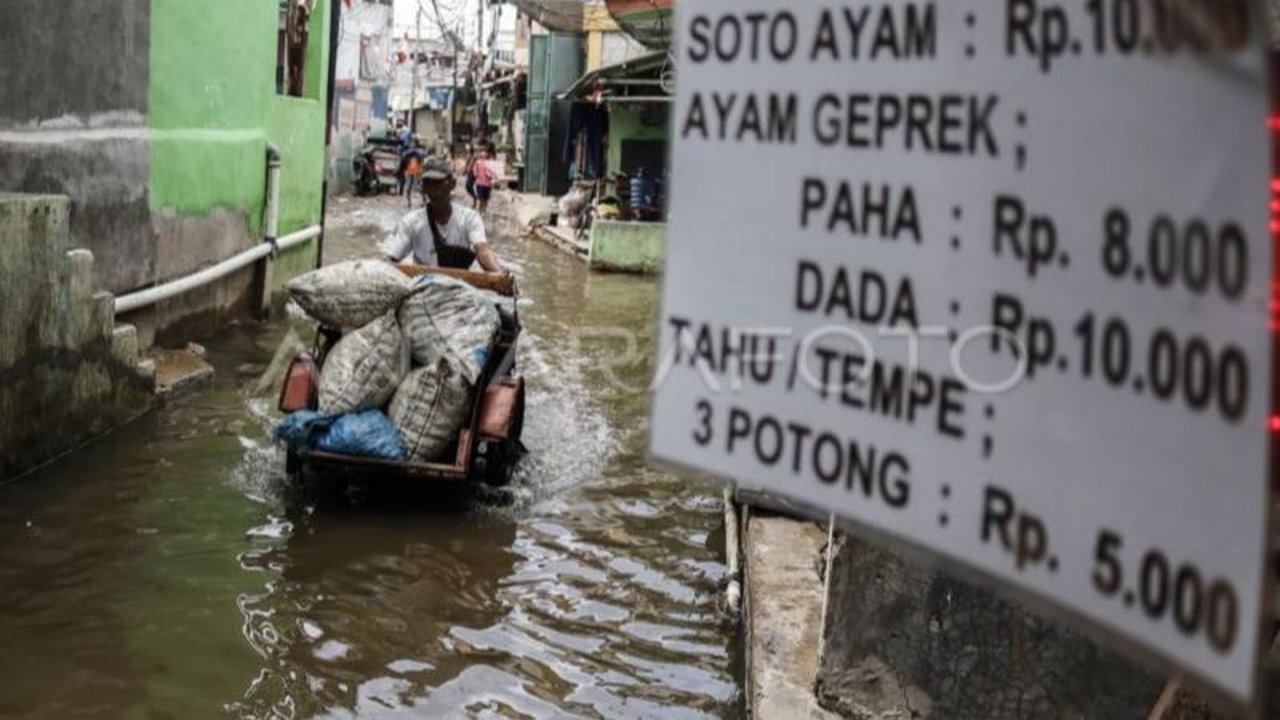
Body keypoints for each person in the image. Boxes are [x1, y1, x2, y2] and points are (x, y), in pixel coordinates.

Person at [381, 156, 504, 272]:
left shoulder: (469, 219)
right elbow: (392, 258)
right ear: (423, 188)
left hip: (460, 288)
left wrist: (501, 275)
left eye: (438, 183)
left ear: (452, 184)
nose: (434, 190)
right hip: (423, 289)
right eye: (428, 184)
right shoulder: (411, 223)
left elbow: (483, 251)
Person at [471, 143, 496, 215]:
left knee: (486, 198)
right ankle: (480, 210)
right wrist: (476, 174)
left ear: (487, 154)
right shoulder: (477, 162)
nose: (484, 153)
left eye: (485, 152)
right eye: (482, 152)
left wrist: (492, 176)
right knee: (481, 198)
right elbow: (474, 169)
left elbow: (492, 171)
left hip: (487, 184)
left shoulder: (489, 162)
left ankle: (484, 210)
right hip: (480, 183)